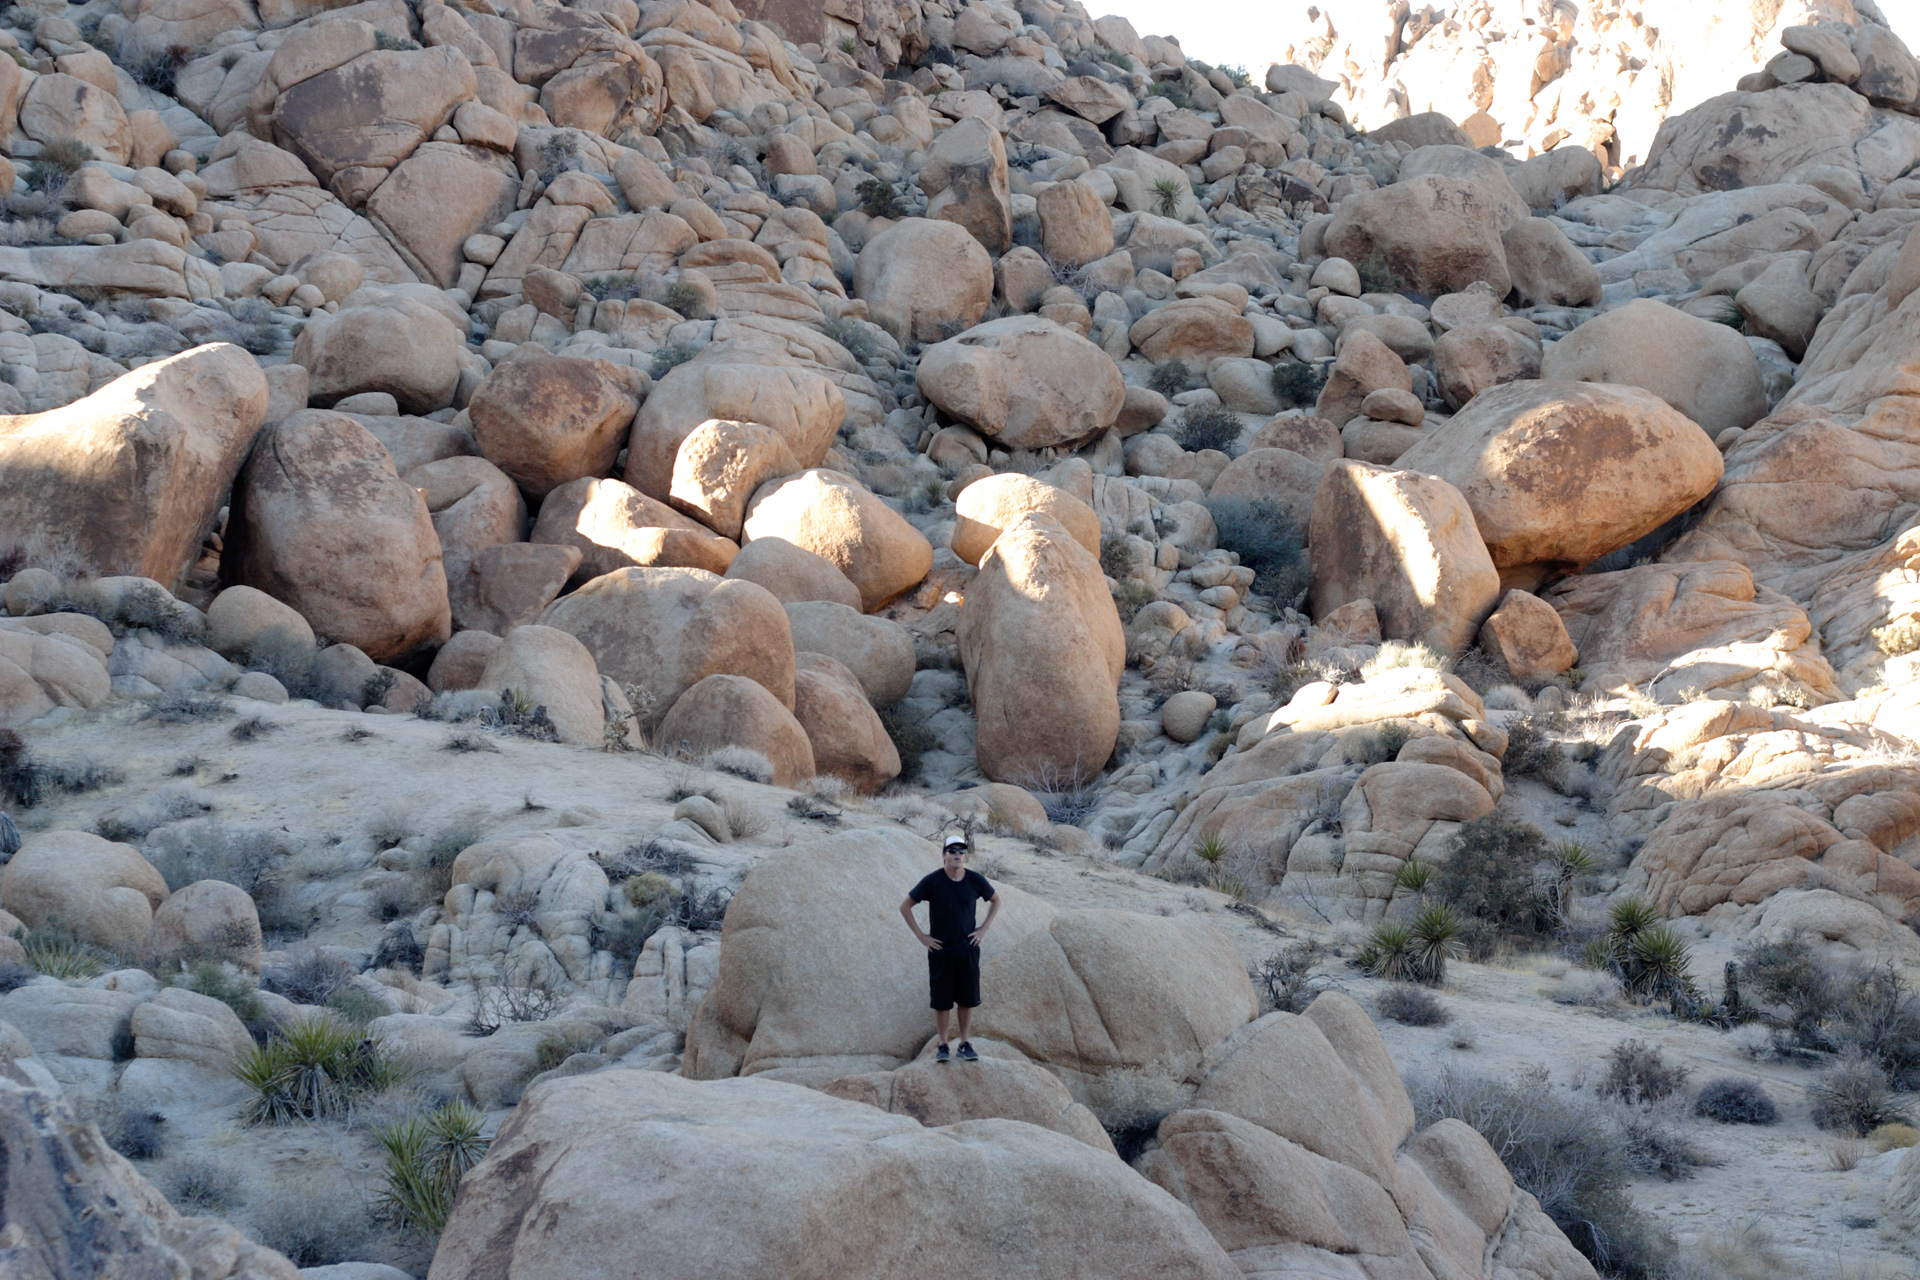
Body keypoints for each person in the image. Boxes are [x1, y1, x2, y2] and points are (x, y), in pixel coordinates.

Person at [899, 833, 1001, 1063]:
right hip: (941, 952)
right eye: (952, 851)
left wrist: (983, 929)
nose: (957, 855)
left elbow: (996, 900)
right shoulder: (932, 881)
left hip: (967, 950)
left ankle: (964, 1043)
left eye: (961, 851)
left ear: (965, 856)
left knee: (967, 1000)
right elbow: (905, 906)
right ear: (944, 855)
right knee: (941, 1001)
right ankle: (943, 1044)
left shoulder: (975, 880)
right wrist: (921, 937)